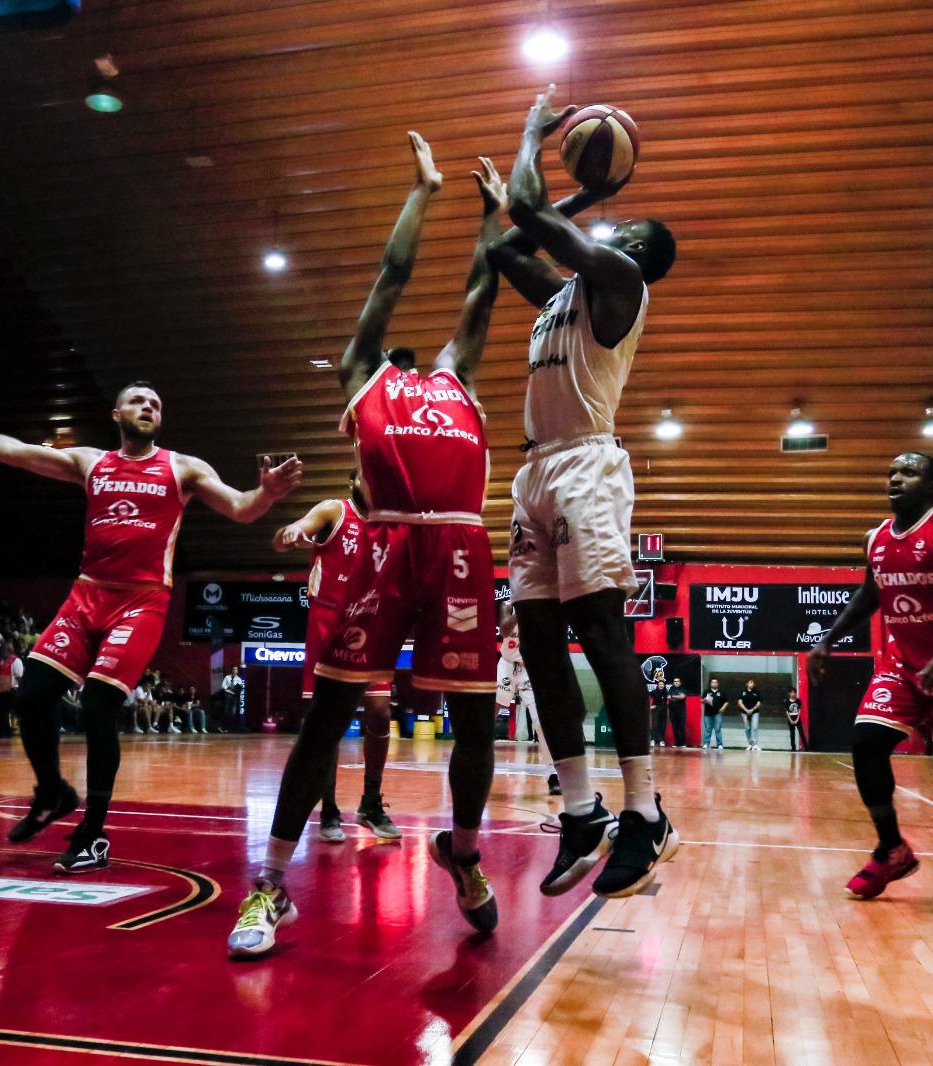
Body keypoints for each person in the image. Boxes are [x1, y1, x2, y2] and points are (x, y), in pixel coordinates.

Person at [231, 134, 509, 957]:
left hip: (459, 554)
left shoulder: (457, 378)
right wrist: (423, 194)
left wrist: (494, 217)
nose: (398, 347)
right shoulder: (365, 378)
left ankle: (460, 851)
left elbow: (481, 292)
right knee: (327, 721)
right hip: (388, 554)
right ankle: (270, 886)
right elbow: (388, 282)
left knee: (476, 726)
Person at [0, 384, 300, 874]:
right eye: (139, 402)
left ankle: (93, 834)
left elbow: (241, 508)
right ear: (117, 413)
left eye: (156, 404)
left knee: (98, 703)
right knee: (30, 697)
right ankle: (52, 790)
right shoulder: (92, 462)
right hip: (87, 594)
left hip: (142, 601)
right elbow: (17, 454)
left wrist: (267, 492)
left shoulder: (184, 468)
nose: (148, 408)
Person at [488, 85, 680, 901]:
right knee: (535, 640)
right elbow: (506, 249)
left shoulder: (621, 283)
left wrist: (537, 137)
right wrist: (587, 193)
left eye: (623, 227)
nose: (611, 229)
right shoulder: (564, 297)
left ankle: (644, 813)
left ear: (638, 253)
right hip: (535, 470)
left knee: (601, 635)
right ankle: (580, 809)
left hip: (588, 468)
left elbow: (528, 214)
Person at [806, 452, 933, 904]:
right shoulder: (875, 538)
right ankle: (891, 848)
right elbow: (869, 593)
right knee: (865, 744)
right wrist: (827, 640)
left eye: (909, 472)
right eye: (891, 472)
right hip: (903, 665)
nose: (895, 478)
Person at [273, 467, 400, 844]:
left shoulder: (391, 525)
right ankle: (328, 809)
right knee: (326, 722)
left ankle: (371, 802)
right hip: (328, 626)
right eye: (366, 476)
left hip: (371, 626)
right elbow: (300, 526)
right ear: (353, 481)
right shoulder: (334, 511)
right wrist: (292, 532)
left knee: (380, 712)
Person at [498, 608, 558, 795]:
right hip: (507, 666)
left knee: (540, 723)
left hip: (530, 670)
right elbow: (504, 629)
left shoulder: (548, 614)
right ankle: (472, 761)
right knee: (487, 713)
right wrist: (518, 611)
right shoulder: (512, 606)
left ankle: (553, 774)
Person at [701, 678, 727, 750]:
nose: (714, 683)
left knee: (717, 729)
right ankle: (706, 744)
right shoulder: (707, 691)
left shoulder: (721, 692)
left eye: (716, 682)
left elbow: (726, 701)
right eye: (713, 682)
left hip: (717, 713)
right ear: (710, 684)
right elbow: (701, 700)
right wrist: (705, 700)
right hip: (707, 714)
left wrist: (723, 708)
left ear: (718, 684)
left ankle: (720, 744)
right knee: (708, 729)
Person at [738, 679, 763, 752]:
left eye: (753, 683)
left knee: (754, 727)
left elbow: (759, 703)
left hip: (755, 712)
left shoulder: (756, 692)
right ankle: (750, 744)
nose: (751, 684)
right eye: (750, 682)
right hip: (744, 712)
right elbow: (739, 702)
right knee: (747, 728)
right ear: (747, 684)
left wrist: (752, 709)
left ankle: (755, 745)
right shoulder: (742, 692)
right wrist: (746, 710)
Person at [647, 671, 669, 749]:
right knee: (655, 725)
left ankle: (660, 740)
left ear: (664, 685)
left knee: (662, 726)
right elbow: (645, 695)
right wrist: (650, 706)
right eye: (659, 684)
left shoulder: (666, 693)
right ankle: (653, 739)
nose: (661, 685)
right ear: (657, 685)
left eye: (662, 684)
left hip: (664, 711)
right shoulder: (654, 692)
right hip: (656, 710)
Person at [665, 676, 689, 748]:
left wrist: (673, 697)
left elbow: (682, 697)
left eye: (677, 681)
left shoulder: (683, 689)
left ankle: (683, 743)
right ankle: (677, 743)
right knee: (675, 727)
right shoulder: (671, 689)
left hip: (681, 711)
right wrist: (677, 697)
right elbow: (668, 697)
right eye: (675, 681)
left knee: (681, 727)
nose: (676, 682)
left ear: (680, 683)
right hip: (673, 711)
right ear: (673, 683)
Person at [220, 666, 245, 733]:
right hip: (227, 694)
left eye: (236, 669)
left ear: (237, 671)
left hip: (234, 696)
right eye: (233, 669)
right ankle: (223, 727)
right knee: (225, 711)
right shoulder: (227, 677)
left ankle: (229, 727)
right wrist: (229, 687)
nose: (234, 670)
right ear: (232, 670)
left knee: (232, 713)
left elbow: (239, 688)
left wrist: (236, 688)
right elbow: (223, 686)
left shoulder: (239, 679)